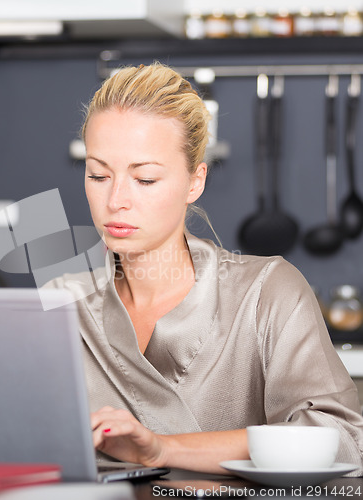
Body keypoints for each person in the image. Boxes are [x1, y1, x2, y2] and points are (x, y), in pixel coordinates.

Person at [46, 62, 363, 475]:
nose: (116, 199)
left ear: (194, 181)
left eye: (144, 179)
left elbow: (340, 438)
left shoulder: (265, 293)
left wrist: (162, 450)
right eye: (98, 175)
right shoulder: (60, 304)